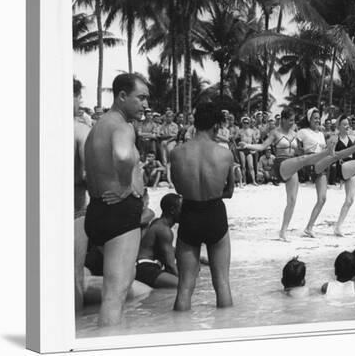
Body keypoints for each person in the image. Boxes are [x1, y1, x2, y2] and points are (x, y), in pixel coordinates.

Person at [84, 73, 149, 326]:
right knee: (114, 295)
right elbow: (122, 156)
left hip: (98, 210)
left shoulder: (97, 128)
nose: (145, 105)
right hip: (119, 211)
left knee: (117, 287)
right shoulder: (123, 126)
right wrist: (124, 185)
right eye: (140, 98)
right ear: (122, 96)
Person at [169, 103, 235, 311]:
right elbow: (230, 192)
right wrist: (214, 193)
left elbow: (178, 187)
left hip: (189, 213)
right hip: (215, 213)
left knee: (185, 287)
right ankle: (225, 331)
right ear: (216, 126)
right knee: (222, 283)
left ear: (195, 124)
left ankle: (179, 335)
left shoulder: (177, 153)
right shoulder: (225, 154)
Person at [240, 108, 339, 241]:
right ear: (284, 119)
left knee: (292, 200)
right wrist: (247, 145)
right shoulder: (275, 132)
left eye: (294, 120)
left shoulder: (295, 134)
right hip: (281, 163)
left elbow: (301, 150)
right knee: (302, 160)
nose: (293, 123)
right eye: (291, 120)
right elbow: (262, 147)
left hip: (293, 165)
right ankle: (328, 152)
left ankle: (283, 232)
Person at [136, 193, 182, 288]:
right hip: (144, 268)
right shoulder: (164, 230)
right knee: (182, 286)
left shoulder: (157, 222)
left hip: (143, 266)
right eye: (183, 209)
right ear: (173, 210)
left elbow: (169, 250)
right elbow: (170, 266)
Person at [298, 108, 329, 238]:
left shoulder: (321, 134)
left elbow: (324, 148)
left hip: (322, 162)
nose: (317, 120)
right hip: (311, 162)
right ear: (309, 119)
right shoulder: (302, 132)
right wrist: (304, 157)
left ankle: (309, 227)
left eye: (318, 118)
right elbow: (297, 148)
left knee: (322, 199)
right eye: (314, 118)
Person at [74, 79, 91, 313]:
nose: (80, 103)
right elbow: (89, 175)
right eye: (78, 98)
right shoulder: (80, 130)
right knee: (74, 274)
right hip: (74, 212)